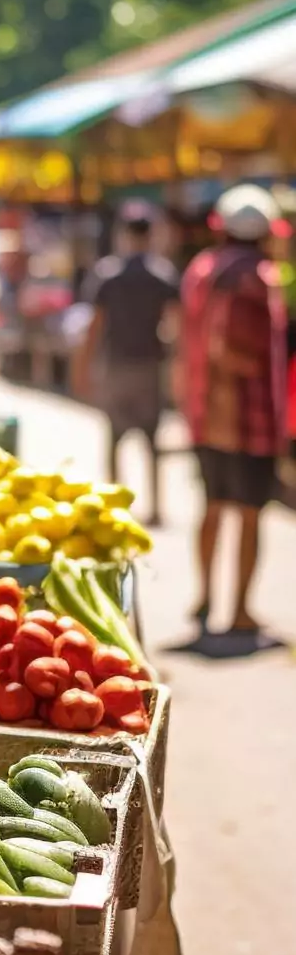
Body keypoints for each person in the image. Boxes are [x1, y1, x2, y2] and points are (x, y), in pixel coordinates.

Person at [178, 184, 287, 637]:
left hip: (205, 414)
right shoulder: (259, 277)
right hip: (249, 420)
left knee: (213, 506)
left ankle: (205, 596)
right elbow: (239, 351)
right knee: (248, 513)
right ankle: (239, 609)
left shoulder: (201, 270)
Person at [72, 204, 180, 527]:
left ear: (124, 234)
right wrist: (178, 367)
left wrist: (82, 367)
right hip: (149, 366)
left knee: (114, 438)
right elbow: (176, 325)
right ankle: (157, 507)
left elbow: (94, 326)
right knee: (152, 440)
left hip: (116, 366)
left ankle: (115, 505)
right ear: (151, 235)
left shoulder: (108, 274)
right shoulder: (163, 274)